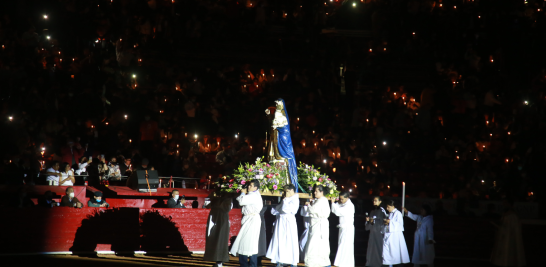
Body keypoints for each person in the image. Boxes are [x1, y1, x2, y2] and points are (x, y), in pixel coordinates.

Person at [230, 179, 263, 267]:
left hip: (252, 220)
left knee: (247, 242)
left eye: (251, 186)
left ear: (256, 187)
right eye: (248, 185)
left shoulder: (254, 195)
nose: (248, 187)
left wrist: (242, 193)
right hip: (248, 219)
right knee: (245, 242)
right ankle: (247, 264)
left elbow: (241, 201)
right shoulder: (251, 194)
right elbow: (240, 199)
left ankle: (249, 264)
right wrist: (242, 194)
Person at [266, 184, 300, 267]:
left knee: (289, 240)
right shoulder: (286, 199)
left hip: (288, 222)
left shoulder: (295, 199)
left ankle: (291, 260)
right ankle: (280, 259)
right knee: (280, 240)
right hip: (281, 221)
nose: (285, 193)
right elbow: (278, 209)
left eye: (287, 191)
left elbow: (286, 209)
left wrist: (286, 199)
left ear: (292, 190)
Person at [490, 199, 526, 267]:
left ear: (509, 204)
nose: (503, 204)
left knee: (508, 250)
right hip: (505, 237)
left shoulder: (511, 215)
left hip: (508, 237)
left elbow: (507, 228)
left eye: (505, 203)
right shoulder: (508, 214)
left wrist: (497, 226)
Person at [303, 185, 331, 267]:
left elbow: (313, 210)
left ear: (321, 192)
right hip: (316, 224)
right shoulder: (319, 200)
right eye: (314, 191)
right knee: (315, 243)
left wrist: (308, 205)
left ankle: (317, 262)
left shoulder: (322, 200)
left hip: (319, 225)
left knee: (315, 243)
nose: (314, 193)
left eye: (316, 191)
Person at [203, 191, 233, 267]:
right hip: (214, 217)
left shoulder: (227, 198)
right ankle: (216, 259)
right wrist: (213, 197)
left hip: (222, 218)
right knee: (213, 237)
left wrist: (218, 201)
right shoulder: (213, 195)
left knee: (221, 238)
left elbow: (227, 208)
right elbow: (207, 205)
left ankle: (220, 260)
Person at [331, 191, 355, 267]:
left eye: (342, 199)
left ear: (347, 198)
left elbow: (338, 212)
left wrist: (332, 203)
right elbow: (337, 207)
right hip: (343, 228)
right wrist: (335, 203)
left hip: (347, 228)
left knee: (345, 245)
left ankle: (344, 263)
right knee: (342, 244)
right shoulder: (344, 204)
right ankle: (342, 263)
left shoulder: (349, 206)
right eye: (340, 199)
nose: (340, 201)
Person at [382, 200, 410, 266]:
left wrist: (390, 222)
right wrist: (386, 223)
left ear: (393, 206)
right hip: (389, 236)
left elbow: (399, 225)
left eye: (388, 207)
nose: (387, 208)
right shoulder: (390, 214)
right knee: (388, 254)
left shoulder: (398, 213)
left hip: (395, 237)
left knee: (395, 253)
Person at [365, 196, 387, 267]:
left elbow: (384, 221)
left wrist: (374, 221)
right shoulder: (372, 211)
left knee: (379, 248)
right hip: (372, 232)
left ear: (380, 201)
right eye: (373, 201)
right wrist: (369, 221)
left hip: (379, 232)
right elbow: (368, 225)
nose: (374, 202)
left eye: (376, 201)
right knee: (371, 248)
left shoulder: (382, 211)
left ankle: (380, 263)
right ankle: (370, 262)